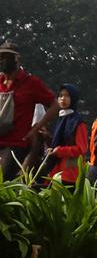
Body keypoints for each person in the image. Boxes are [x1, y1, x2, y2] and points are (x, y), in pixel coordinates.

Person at [0, 41, 57, 180]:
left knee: (3, 179)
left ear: (17, 59)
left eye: (7, 57)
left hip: (16, 144)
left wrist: (36, 128)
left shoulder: (31, 83)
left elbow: (55, 105)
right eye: (0, 57)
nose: (2, 60)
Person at [43, 84, 89, 184]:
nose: (63, 98)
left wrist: (59, 151)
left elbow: (81, 149)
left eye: (67, 96)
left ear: (73, 98)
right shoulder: (60, 118)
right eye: (61, 95)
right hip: (56, 172)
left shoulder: (78, 122)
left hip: (70, 173)